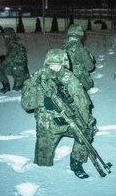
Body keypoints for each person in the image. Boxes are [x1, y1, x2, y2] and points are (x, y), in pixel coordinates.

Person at [20, 48, 97, 179]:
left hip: (68, 121)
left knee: (86, 131)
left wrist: (84, 124)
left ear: (64, 64)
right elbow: (26, 105)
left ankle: (76, 163)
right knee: (42, 164)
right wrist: (41, 99)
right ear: (47, 64)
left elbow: (83, 104)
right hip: (47, 127)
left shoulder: (70, 78)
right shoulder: (38, 78)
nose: (55, 68)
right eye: (52, 64)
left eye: (59, 65)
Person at [0, 27, 29, 93]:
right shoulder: (14, 44)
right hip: (20, 70)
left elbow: (9, 59)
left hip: (18, 70)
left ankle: (7, 86)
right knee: (17, 89)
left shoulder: (13, 45)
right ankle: (9, 86)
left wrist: (1, 65)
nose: (4, 38)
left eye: (5, 36)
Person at [63, 24, 96, 91]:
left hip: (66, 77)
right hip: (78, 77)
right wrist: (91, 59)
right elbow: (90, 67)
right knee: (90, 84)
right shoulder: (79, 47)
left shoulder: (64, 46)